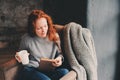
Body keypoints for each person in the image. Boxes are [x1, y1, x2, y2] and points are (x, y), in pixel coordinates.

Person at [15, 9, 69, 80]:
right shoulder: (26, 38)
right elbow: (20, 53)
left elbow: (59, 54)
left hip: (49, 71)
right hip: (32, 70)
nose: (44, 30)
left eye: (45, 26)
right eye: (39, 28)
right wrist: (18, 56)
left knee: (65, 72)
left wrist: (59, 59)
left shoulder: (54, 36)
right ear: (33, 28)